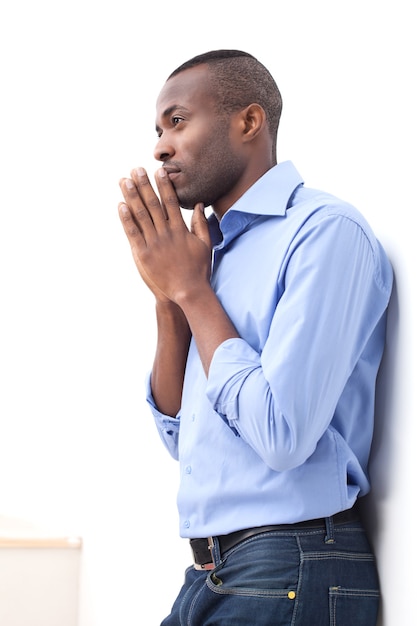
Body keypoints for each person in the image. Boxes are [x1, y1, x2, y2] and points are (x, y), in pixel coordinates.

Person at [118, 50, 393, 626]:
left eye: (178, 120)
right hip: (212, 569)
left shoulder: (323, 232)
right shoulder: (208, 256)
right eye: (158, 130)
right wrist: (170, 300)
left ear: (248, 122)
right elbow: (181, 437)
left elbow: (281, 435)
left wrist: (194, 293)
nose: (160, 147)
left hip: (293, 563)